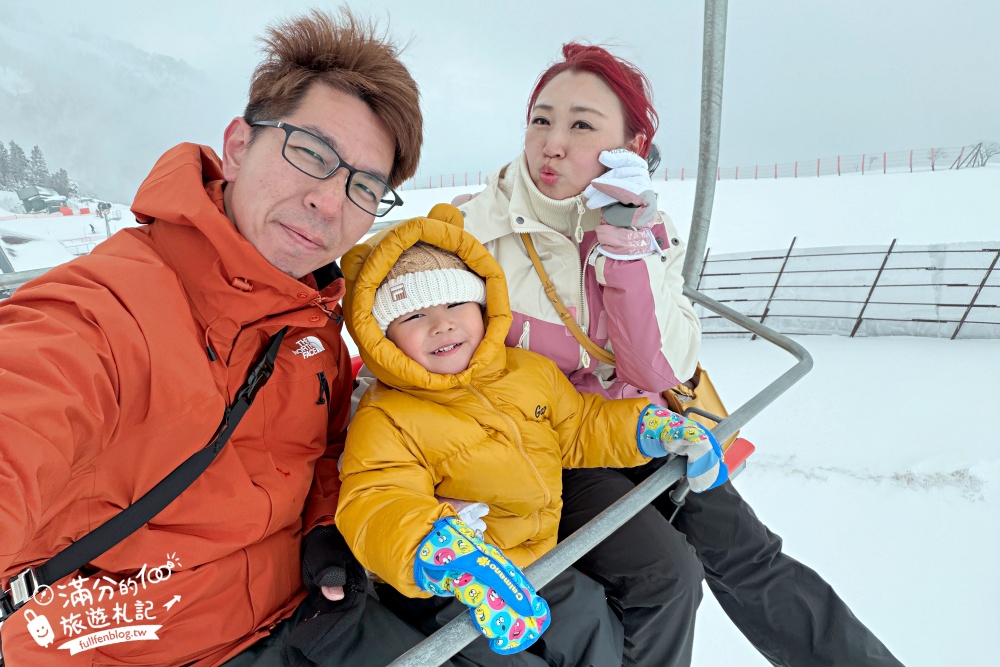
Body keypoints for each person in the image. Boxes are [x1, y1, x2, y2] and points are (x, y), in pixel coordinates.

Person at [0, 9, 449, 667]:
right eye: (312, 153)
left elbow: (324, 449)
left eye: (363, 187)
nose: (330, 202)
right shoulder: (102, 312)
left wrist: (325, 525)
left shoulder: (317, 323)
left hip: (306, 614)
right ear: (238, 146)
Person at [455, 42, 903, 667]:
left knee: (750, 556)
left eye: (581, 124)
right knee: (662, 580)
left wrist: (626, 243)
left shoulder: (646, 229)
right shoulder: (470, 234)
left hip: (648, 420)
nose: (552, 142)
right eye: (541, 119)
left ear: (631, 147)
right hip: (556, 446)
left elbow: (655, 366)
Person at [335, 205, 727, 666]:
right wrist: (438, 547)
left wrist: (650, 427)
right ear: (382, 337)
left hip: (535, 549)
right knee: (563, 633)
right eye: (414, 316)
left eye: (455, 303)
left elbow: (580, 426)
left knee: (609, 607)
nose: (441, 324)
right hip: (463, 579)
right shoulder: (387, 417)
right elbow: (376, 498)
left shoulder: (527, 371)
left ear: (484, 306)